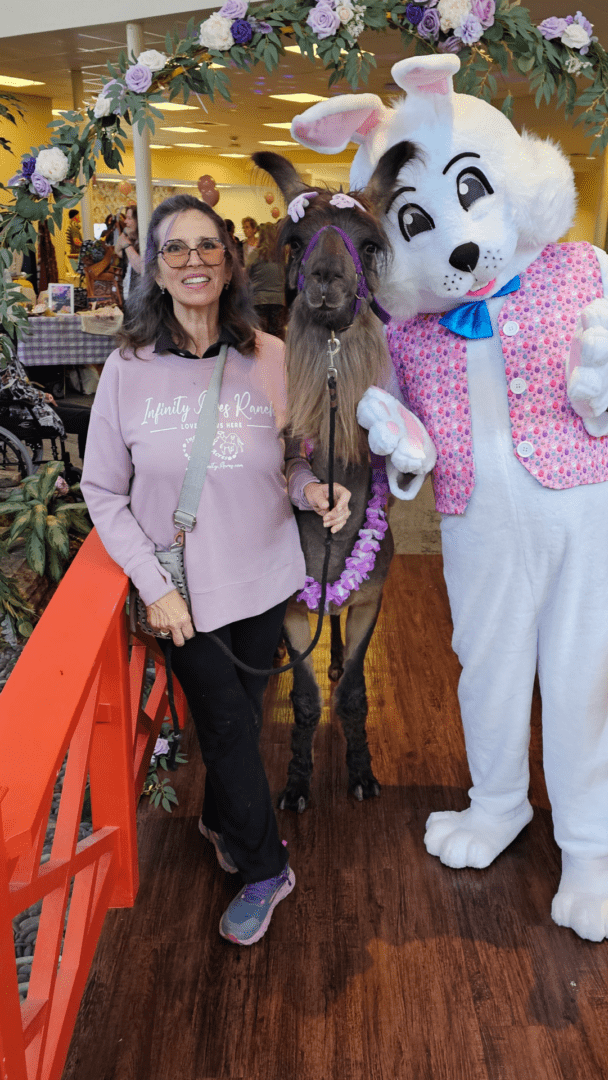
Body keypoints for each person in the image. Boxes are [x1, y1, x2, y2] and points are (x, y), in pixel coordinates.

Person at [80, 194, 351, 946]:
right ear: (155, 269)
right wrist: (154, 586)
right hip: (185, 598)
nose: (194, 260)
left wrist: (312, 489)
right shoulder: (127, 370)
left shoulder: (269, 357)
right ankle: (268, 869)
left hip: (264, 577)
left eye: (208, 246)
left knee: (244, 718)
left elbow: (291, 460)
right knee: (227, 728)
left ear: (230, 262)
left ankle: (218, 816)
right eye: (176, 249)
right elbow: (102, 491)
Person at [247, 221, 286, 339]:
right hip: (279, 300)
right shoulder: (281, 255)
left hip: (259, 300)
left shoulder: (255, 254)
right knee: (277, 336)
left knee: (262, 337)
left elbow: (247, 275)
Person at [114, 205, 142, 303]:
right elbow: (117, 251)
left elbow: (141, 268)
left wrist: (127, 244)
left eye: (129, 218)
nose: (125, 222)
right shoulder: (133, 242)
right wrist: (124, 233)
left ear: (139, 220)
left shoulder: (146, 242)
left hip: (141, 302)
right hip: (129, 298)